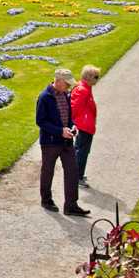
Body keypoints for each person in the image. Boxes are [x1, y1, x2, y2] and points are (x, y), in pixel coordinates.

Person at [35, 68, 88, 216]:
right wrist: (60, 131)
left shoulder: (65, 94)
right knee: (48, 171)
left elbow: (68, 116)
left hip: (66, 141)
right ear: (58, 81)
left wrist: (72, 126)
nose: (69, 87)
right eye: (67, 84)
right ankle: (46, 200)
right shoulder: (44, 97)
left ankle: (71, 205)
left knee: (72, 171)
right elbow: (40, 121)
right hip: (50, 142)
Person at [71, 65, 101, 187]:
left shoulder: (84, 88)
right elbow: (74, 107)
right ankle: (77, 177)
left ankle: (78, 174)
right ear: (89, 77)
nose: (97, 79)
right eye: (96, 77)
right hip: (84, 126)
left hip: (85, 125)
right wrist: (77, 122)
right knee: (82, 152)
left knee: (81, 151)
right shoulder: (83, 90)